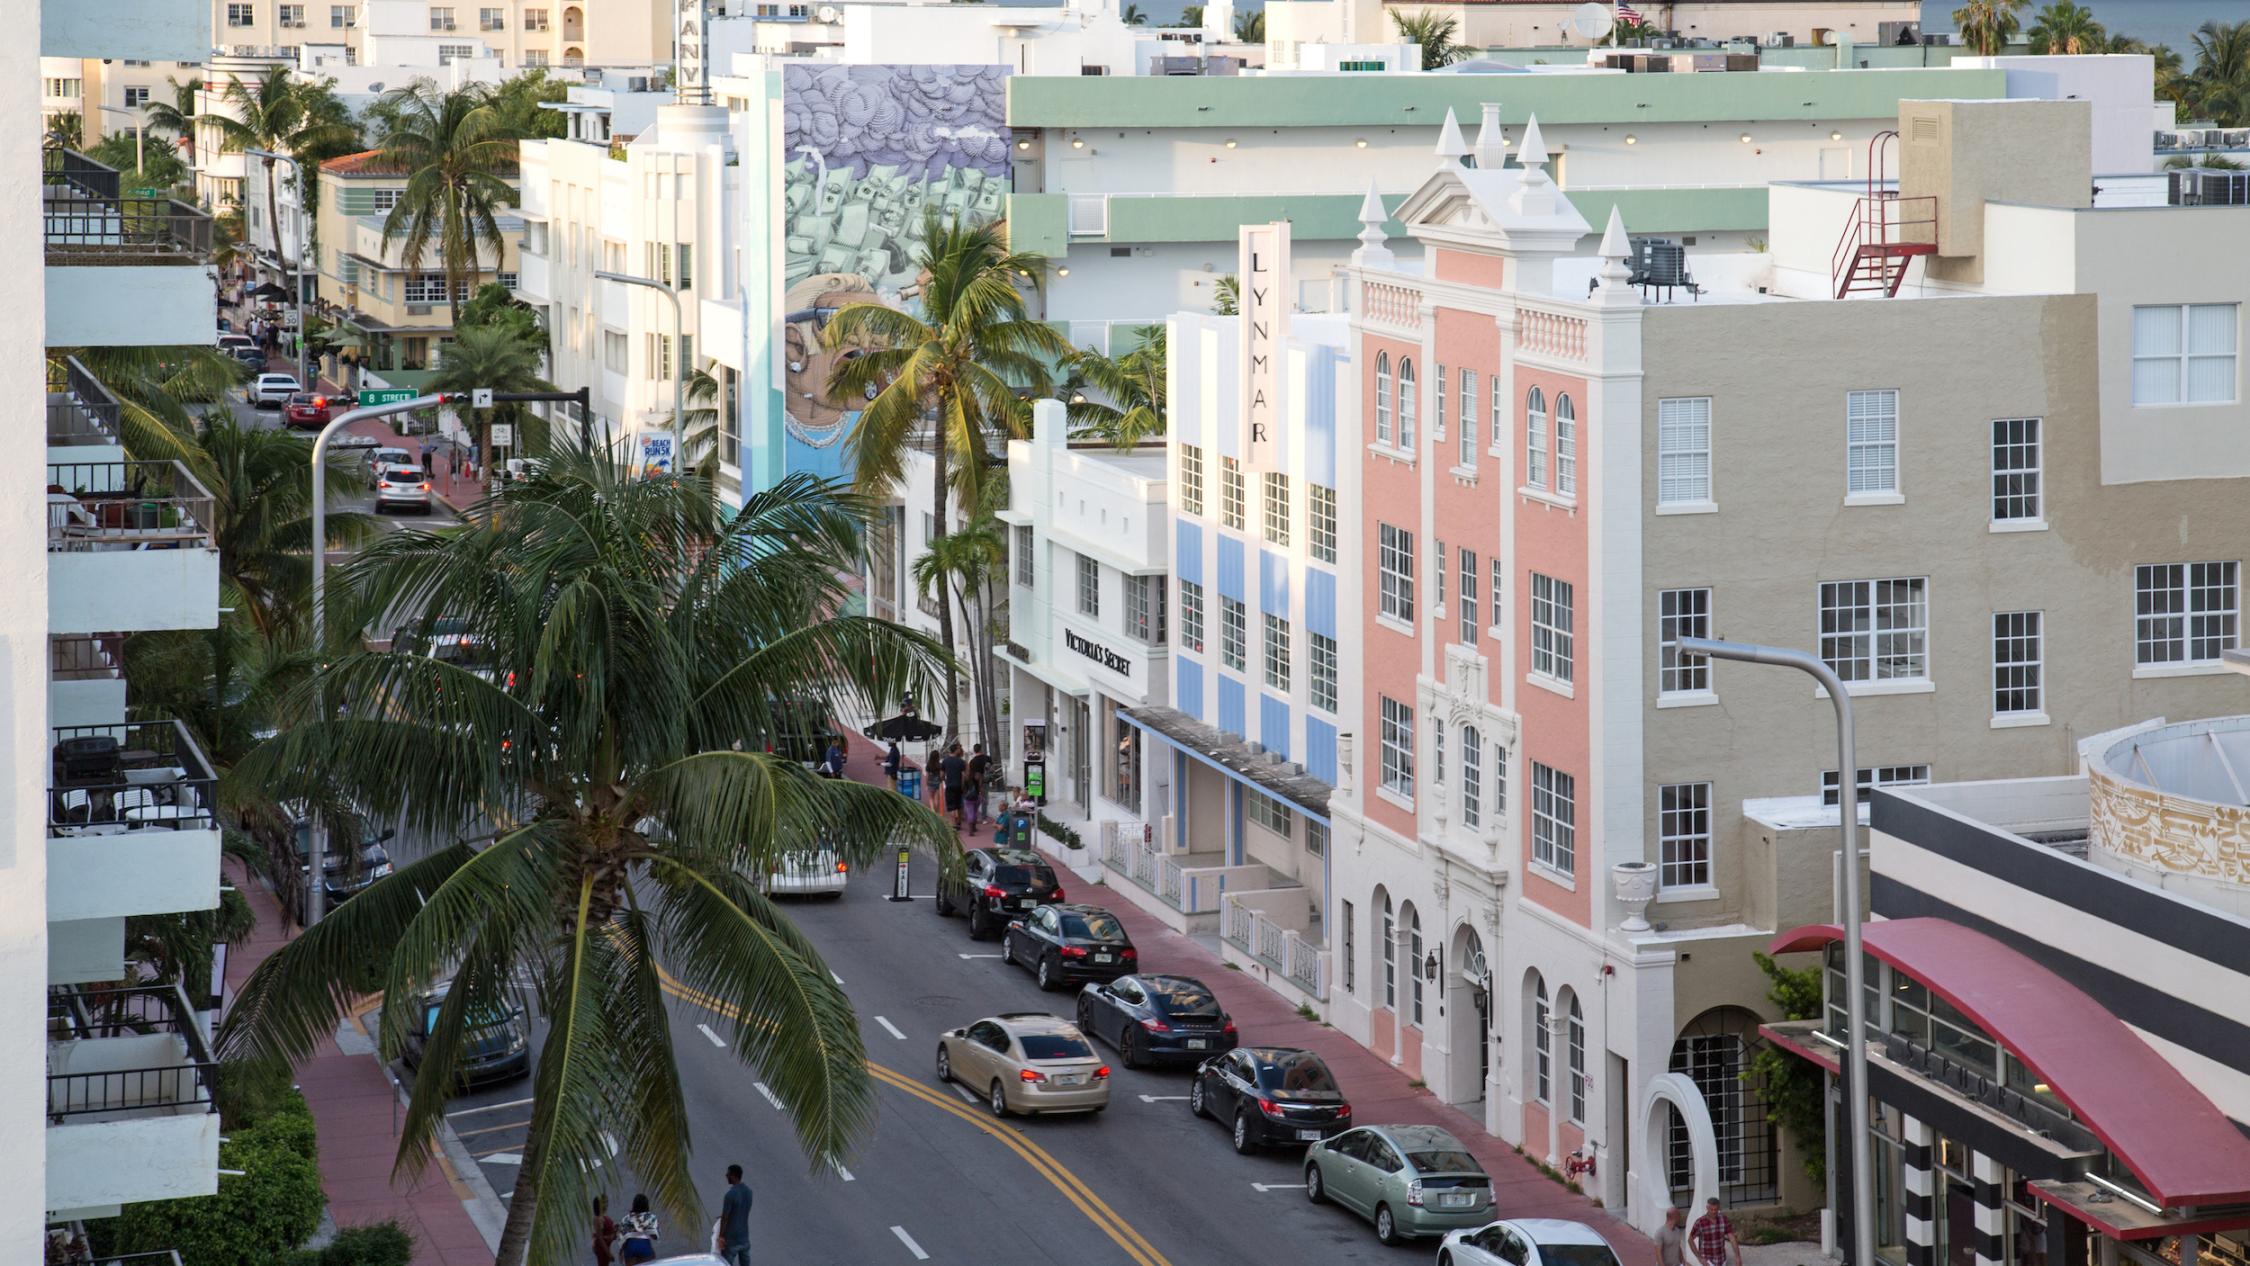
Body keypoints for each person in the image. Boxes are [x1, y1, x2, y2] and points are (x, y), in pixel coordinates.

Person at [716, 1163, 754, 1266]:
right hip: (744, 1239)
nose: (726, 1176)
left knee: (726, 1264)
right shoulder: (749, 1192)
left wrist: (721, 1237)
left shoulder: (730, 1195)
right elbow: (742, 1211)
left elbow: (725, 1218)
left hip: (731, 1241)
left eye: (728, 1174)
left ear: (734, 1176)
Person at [1689, 1197, 1741, 1266]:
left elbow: (1732, 1238)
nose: (1714, 1212)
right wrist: (1699, 1257)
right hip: (1708, 1261)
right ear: (1707, 1208)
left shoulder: (1723, 1219)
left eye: (1716, 1209)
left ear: (1718, 1208)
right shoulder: (1700, 1222)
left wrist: (1737, 1256)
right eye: (1711, 1209)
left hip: (1722, 1259)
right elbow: (1690, 1240)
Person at [618, 1194, 659, 1265]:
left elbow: (622, 1240)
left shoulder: (625, 1219)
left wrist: (621, 1252)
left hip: (630, 1247)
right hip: (644, 1246)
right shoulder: (650, 1217)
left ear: (634, 1205)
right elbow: (655, 1236)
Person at [938, 743, 968, 829]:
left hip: (950, 785)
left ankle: (953, 823)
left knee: (951, 805)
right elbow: (965, 775)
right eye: (958, 749)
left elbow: (941, 775)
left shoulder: (945, 761)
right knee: (958, 804)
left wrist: (944, 780)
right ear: (955, 750)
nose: (960, 750)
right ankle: (958, 822)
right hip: (959, 785)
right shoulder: (961, 762)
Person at [591, 1195, 618, 1266]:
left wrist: (614, 1230)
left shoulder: (604, 1217)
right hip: (602, 1248)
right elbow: (600, 1238)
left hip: (606, 1246)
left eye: (607, 1202)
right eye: (604, 1203)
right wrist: (608, 1253)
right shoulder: (598, 1218)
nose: (606, 1205)